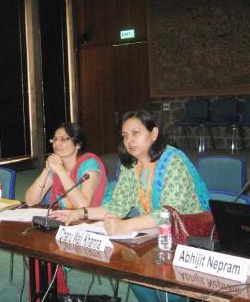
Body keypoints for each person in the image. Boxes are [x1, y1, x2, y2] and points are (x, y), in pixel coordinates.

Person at [50, 110, 210, 302]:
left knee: (168, 290)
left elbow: (168, 214)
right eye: (125, 135)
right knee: (132, 270)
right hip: (153, 235)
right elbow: (117, 206)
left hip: (187, 239)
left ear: (153, 134)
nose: (129, 140)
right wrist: (81, 213)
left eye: (136, 133)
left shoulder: (173, 161)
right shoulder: (130, 165)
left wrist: (126, 225)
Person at [24, 122, 110, 296]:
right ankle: (47, 295)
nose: (57, 144)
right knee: (33, 245)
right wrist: (46, 170)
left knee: (47, 250)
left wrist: (61, 172)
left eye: (64, 139)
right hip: (68, 222)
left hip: (94, 223)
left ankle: (57, 294)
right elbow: (31, 200)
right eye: (55, 139)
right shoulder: (56, 165)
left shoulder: (89, 164)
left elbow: (83, 206)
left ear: (78, 144)